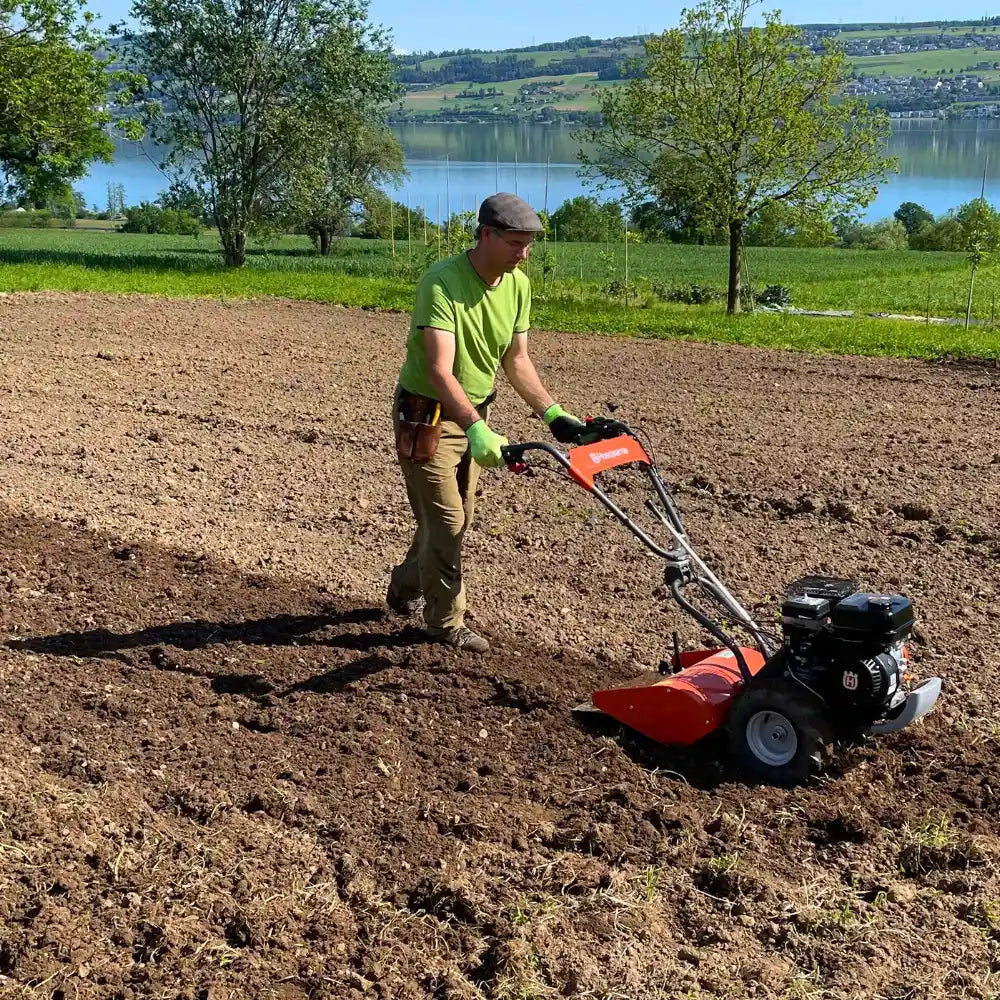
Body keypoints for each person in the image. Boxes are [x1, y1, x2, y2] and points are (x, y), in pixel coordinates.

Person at [387, 193, 585, 654]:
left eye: (529, 245)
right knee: (448, 522)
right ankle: (444, 623)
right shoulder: (441, 283)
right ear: (487, 235)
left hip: (477, 410)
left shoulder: (517, 285)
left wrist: (554, 415)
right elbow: (439, 370)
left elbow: (517, 361)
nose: (524, 253)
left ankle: (405, 584)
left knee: (457, 519)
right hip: (428, 416)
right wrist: (475, 428)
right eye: (516, 243)